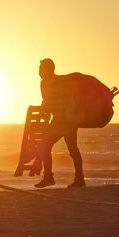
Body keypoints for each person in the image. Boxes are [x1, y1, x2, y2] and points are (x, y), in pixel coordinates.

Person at [35, 58, 86, 188]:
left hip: (67, 121)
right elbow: (46, 101)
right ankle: (49, 177)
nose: (39, 72)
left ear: (48, 70)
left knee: (72, 150)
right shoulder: (43, 84)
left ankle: (79, 179)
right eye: (39, 69)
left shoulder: (60, 82)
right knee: (46, 146)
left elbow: (68, 99)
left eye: (41, 69)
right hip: (57, 120)